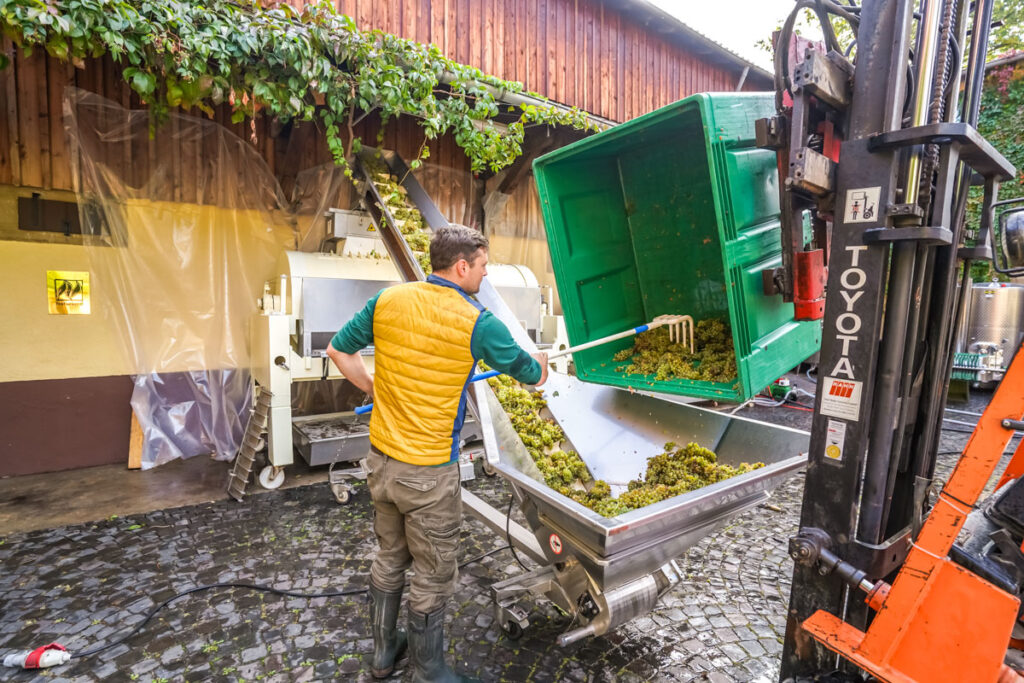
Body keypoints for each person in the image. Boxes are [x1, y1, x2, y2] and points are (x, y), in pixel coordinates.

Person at [327, 224, 547, 682]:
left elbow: (337, 350)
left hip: (382, 464)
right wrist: (543, 365)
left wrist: (376, 388)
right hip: (428, 473)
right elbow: (528, 373)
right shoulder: (476, 321)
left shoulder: (389, 300)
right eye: (483, 266)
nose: (485, 276)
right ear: (462, 265)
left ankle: (384, 655)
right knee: (432, 572)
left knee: (390, 556)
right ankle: (428, 672)